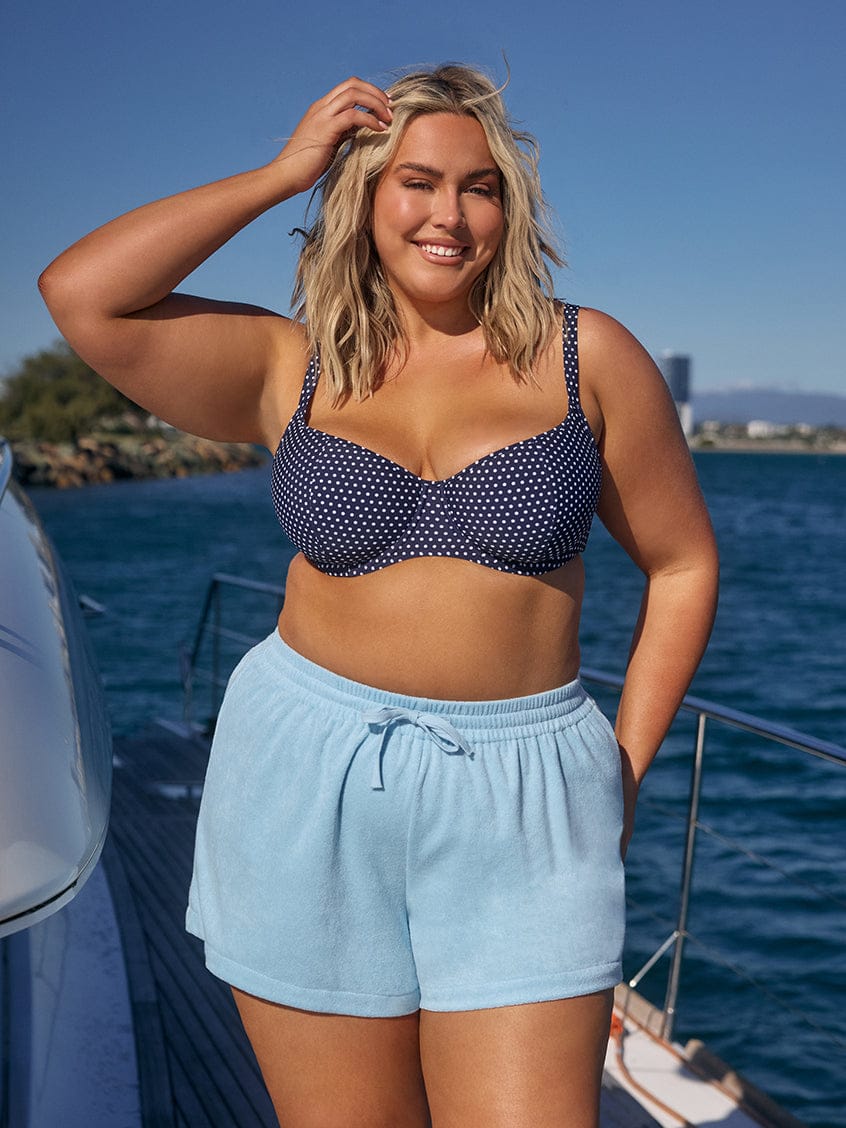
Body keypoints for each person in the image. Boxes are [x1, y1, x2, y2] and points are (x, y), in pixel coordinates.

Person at [39, 64, 718, 1128]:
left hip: (525, 796)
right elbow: (83, 294)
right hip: (304, 777)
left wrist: (619, 770)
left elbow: (682, 566)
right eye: (417, 181)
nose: (450, 213)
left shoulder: (587, 358)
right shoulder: (289, 366)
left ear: (511, 207)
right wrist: (281, 173)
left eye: (481, 186)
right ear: (362, 197)